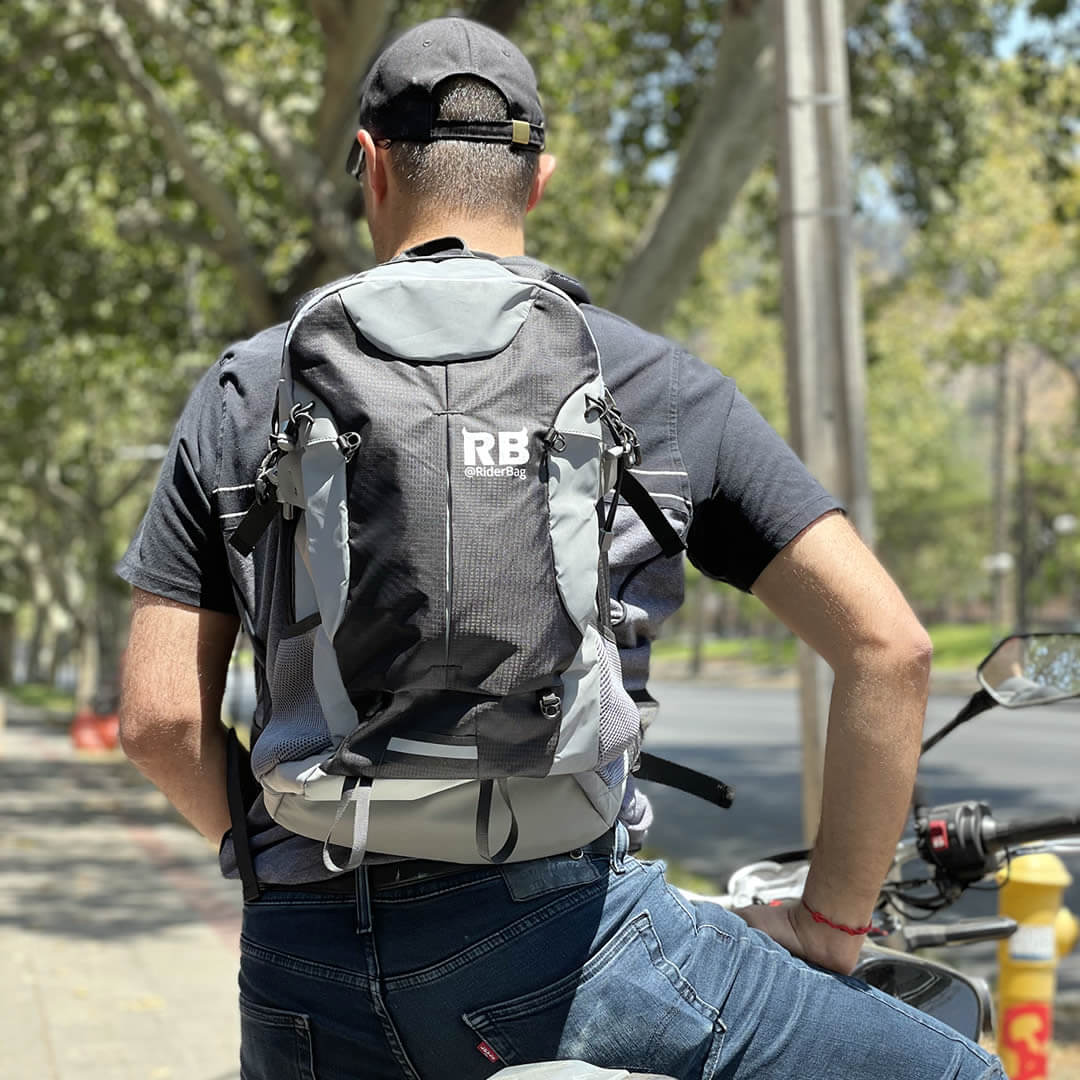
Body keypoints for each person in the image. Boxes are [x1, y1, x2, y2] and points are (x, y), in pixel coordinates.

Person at [117, 17, 1004, 1080]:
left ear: (367, 165)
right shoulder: (652, 381)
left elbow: (161, 720)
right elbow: (889, 649)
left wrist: (274, 868)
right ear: (539, 179)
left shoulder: (244, 388)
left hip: (304, 966)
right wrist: (831, 927)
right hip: (572, 941)